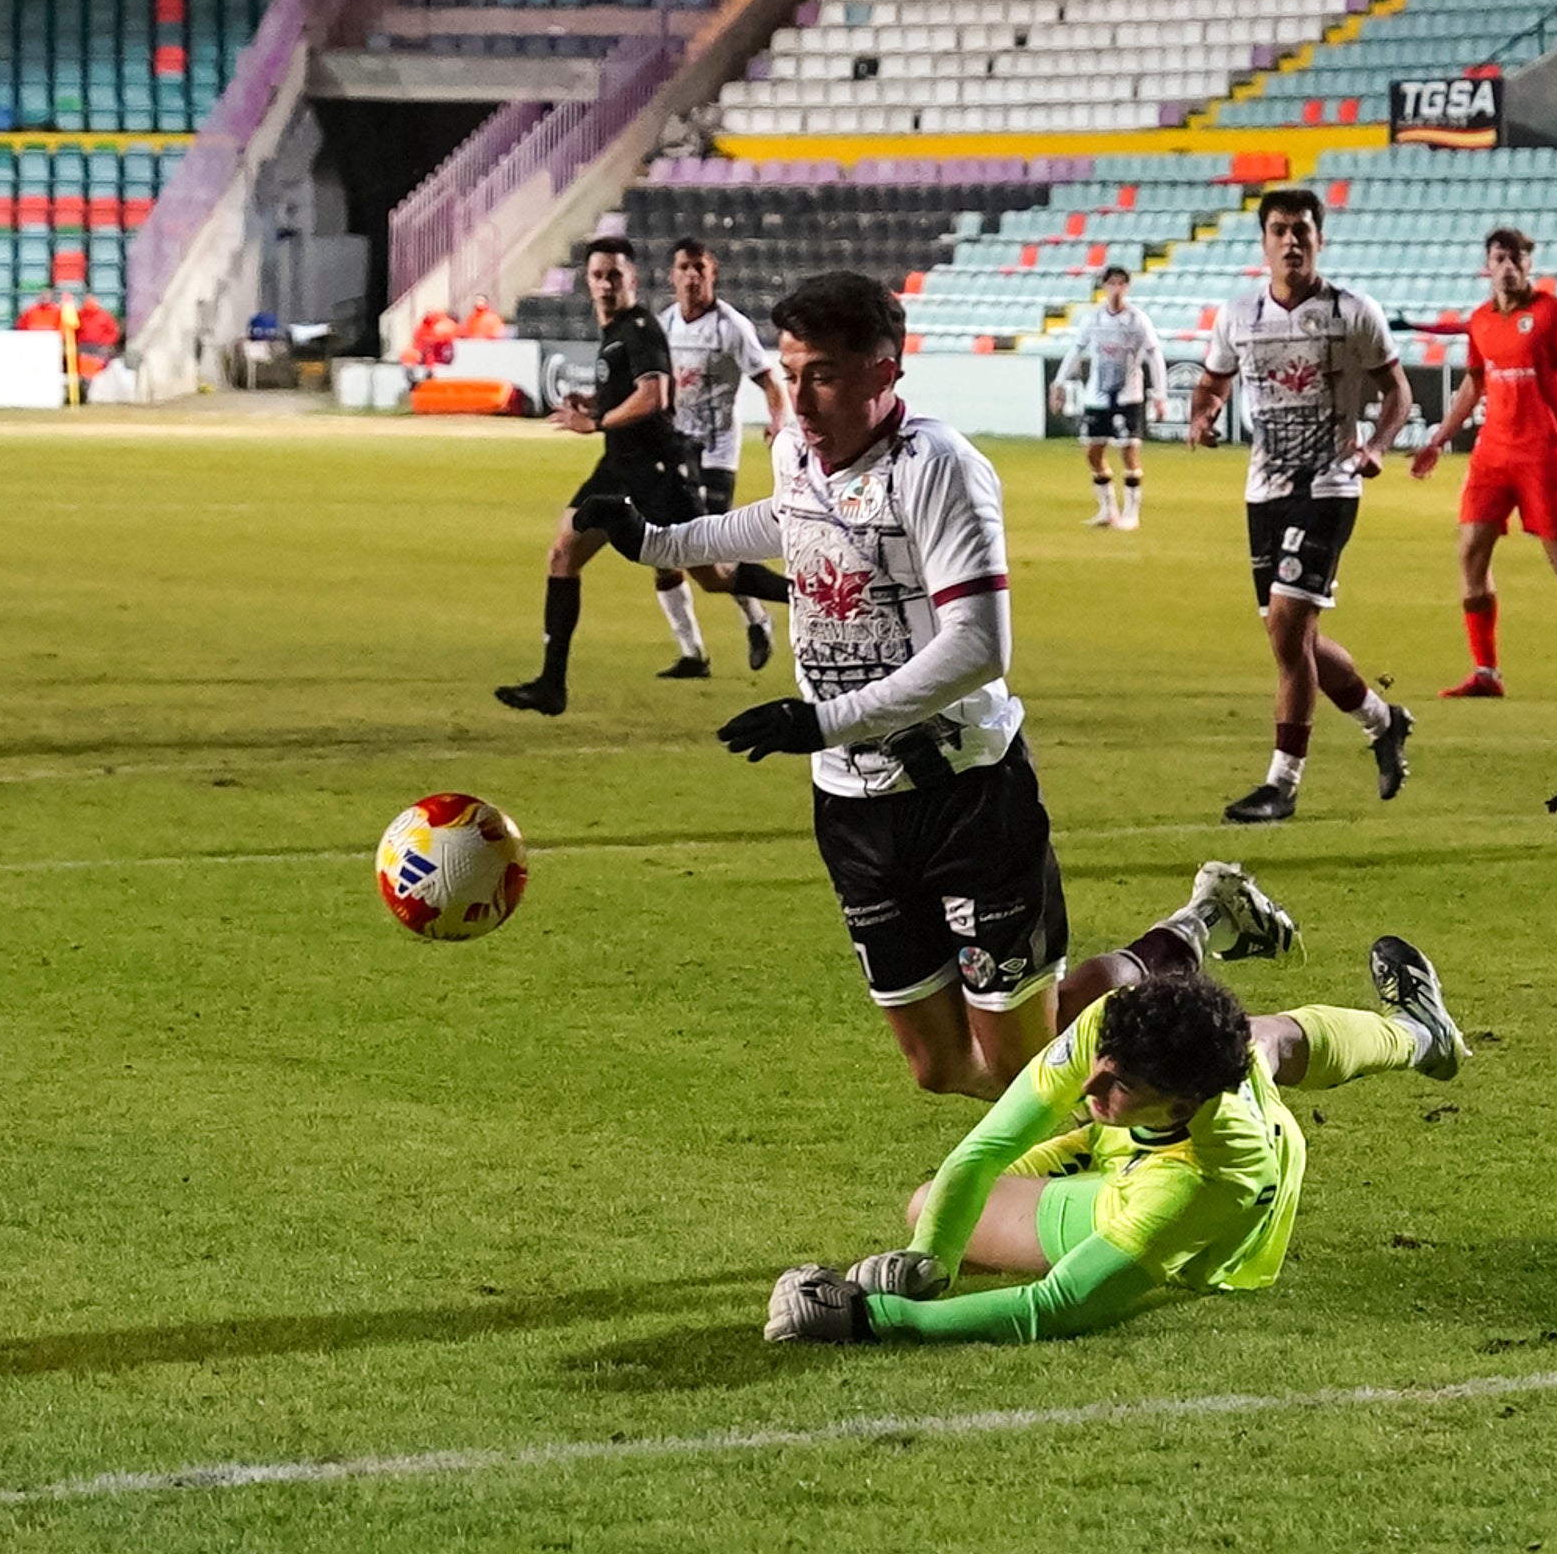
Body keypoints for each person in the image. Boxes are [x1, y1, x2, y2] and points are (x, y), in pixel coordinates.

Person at [574, 270, 1063, 1099]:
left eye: (824, 376)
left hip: (965, 794)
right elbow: (785, 518)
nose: (798, 400)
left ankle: (1168, 958)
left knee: (1023, 1067)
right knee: (941, 1067)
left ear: (884, 372)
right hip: (852, 805)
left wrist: (824, 721)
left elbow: (979, 645)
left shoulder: (939, 468)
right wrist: (657, 541)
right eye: (791, 373)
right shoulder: (795, 451)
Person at [763, 864, 1468, 1346]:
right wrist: (928, 1261)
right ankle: (1419, 1034)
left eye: (1118, 1087)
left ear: (1181, 1101)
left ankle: (1410, 1029)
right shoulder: (1112, 1028)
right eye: (1100, 1071)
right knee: (1264, 1036)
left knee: (927, 1201)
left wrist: (881, 1319)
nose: (1089, 1090)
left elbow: (1055, 1307)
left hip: (1192, 1206)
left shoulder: (1211, 1179)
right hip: (1154, 1130)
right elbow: (986, 1147)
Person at [1187, 187, 1416, 824]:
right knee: (1295, 639)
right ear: (1264, 242)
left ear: (1320, 239)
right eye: (1280, 230)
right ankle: (1383, 721)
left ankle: (1281, 785)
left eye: (1302, 231)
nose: (1291, 241)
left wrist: (1377, 445)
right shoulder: (1239, 315)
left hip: (1329, 486)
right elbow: (1212, 382)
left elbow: (1397, 390)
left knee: (1289, 629)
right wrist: (1203, 415)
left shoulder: (1353, 312)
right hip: (1264, 491)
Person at [494, 238, 774, 716]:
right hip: (618, 467)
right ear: (587, 281)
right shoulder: (620, 329)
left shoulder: (641, 327)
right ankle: (551, 684)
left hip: (657, 471)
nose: (606, 284)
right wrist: (594, 403)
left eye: (615, 276)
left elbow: (654, 395)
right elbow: (634, 392)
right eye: (598, 276)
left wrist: (597, 422)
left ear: (633, 280)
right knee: (563, 553)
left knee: (712, 575)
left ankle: (804, 594)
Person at [1409, 226, 1557, 701]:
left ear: (1529, 264)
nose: (1509, 267)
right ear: (1488, 266)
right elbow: (1475, 384)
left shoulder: (1552, 312)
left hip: (1542, 456)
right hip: (1492, 455)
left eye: (1517, 259)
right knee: (1471, 553)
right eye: (1500, 259)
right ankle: (1486, 672)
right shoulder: (1481, 320)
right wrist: (1438, 439)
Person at [656, 237, 792, 675]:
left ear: (712, 274)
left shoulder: (731, 326)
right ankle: (692, 654)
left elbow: (770, 381)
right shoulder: (664, 324)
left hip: (716, 452)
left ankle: (760, 615)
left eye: (700, 268)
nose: (692, 276)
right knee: (661, 549)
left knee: (712, 548)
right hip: (676, 452)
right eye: (684, 267)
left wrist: (778, 422)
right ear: (673, 275)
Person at [1050, 266, 1167, 529]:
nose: (1116, 289)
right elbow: (1076, 349)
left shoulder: (1137, 320)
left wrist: (1161, 394)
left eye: (1121, 284)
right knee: (1093, 452)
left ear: (1127, 288)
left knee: (1129, 451)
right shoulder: (1093, 318)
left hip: (1129, 396)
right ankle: (1108, 510)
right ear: (1104, 286)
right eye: (1112, 283)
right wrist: (1059, 383)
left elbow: (1154, 354)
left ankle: (1131, 514)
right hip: (1098, 396)